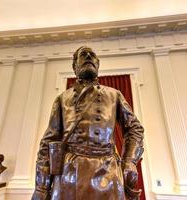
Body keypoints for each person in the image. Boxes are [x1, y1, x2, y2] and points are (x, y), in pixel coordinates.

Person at [32, 46, 144, 200]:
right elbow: (48, 142)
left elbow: (134, 128)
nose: (89, 57)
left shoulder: (114, 95)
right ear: (74, 66)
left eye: (92, 55)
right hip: (69, 175)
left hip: (108, 171)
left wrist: (130, 161)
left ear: (97, 65)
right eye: (83, 55)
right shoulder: (62, 99)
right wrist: (41, 187)